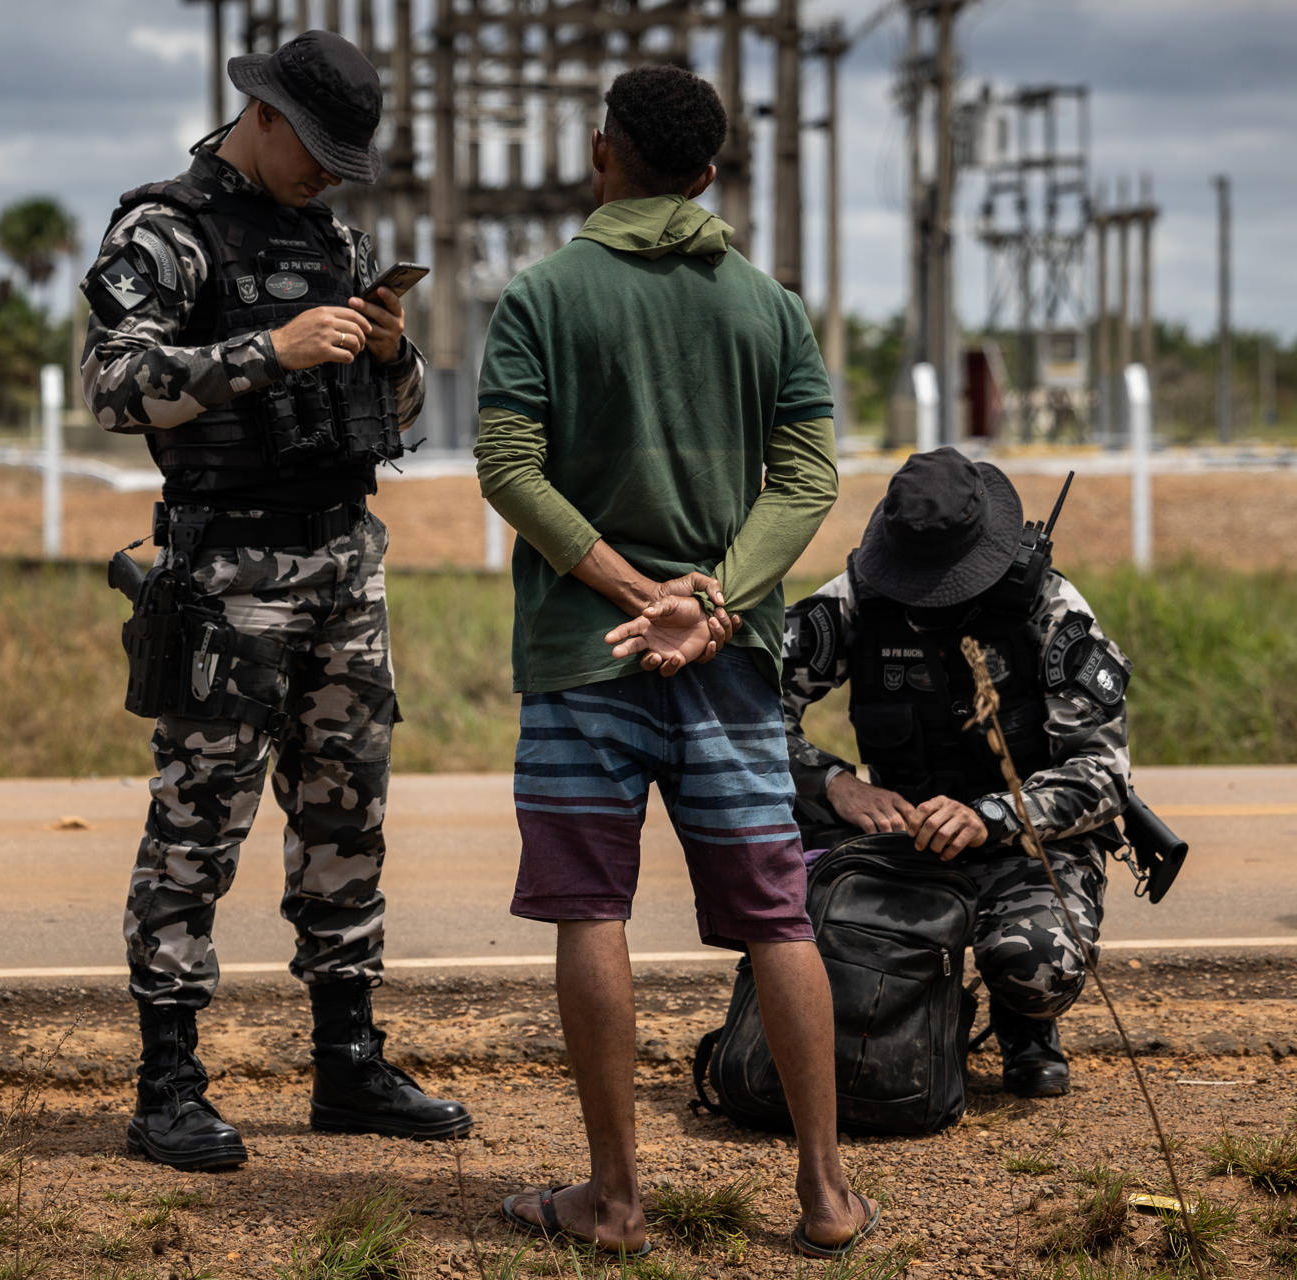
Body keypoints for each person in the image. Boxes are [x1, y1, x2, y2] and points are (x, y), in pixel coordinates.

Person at [474, 64, 876, 1260]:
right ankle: (823, 1194)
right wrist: (710, 599)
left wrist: (623, 585)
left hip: (579, 655)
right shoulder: (770, 307)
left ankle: (613, 1200)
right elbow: (807, 477)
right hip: (731, 661)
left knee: (590, 907)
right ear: (707, 174)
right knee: (778, 915)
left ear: (603, 155)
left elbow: (508, 466)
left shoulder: (543, 296)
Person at [80, 29, 471, 1171]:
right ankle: (168, 1083)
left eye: (348, 157)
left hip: (345, 561)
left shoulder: (333, 237)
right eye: (316, 149)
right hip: (229, 574)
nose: (328, 173)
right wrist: (269, 348)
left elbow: (398, 430)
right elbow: (115, 386)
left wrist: (391, 357)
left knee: (347, 815)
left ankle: (348, 1060)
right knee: (197, 828)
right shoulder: (166, 230)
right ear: (261, 115)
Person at [781, 448, 1133, 1099]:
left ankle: (1024, 1023)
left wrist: (990, 816)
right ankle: (879, 1019)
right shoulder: (857, 598)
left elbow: (1102, 773)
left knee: (1037, 965)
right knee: (790, 928)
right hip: (899, 843)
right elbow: (746, 712)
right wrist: (834, 783)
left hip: (1024, 847)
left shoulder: (1049, 612)